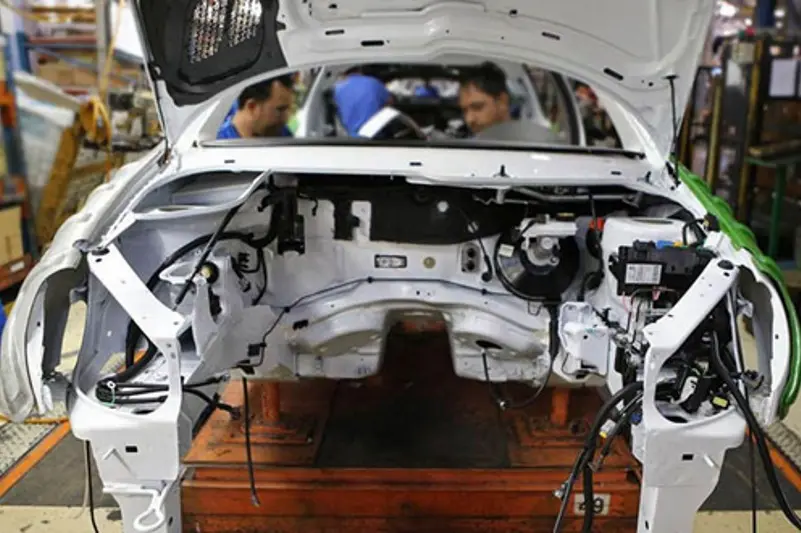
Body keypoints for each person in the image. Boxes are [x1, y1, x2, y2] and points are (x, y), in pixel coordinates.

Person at [458, 62, 561, 143]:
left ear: (502, 101)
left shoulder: (540, 143)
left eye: (477, 107)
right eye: (464, 111)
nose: (469, 119)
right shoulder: (464, 151)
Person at [217, 74, 294, 139]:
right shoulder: (218, 147)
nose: (287, 117)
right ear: (252, 107)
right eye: (280, 110)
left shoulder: (283, 134)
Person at [333, 67, 393, 136]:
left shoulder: (337, 89)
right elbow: (390, 102)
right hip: (375, 135)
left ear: (343, 73)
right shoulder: (373, 82)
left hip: (351, 137)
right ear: (359, 69)